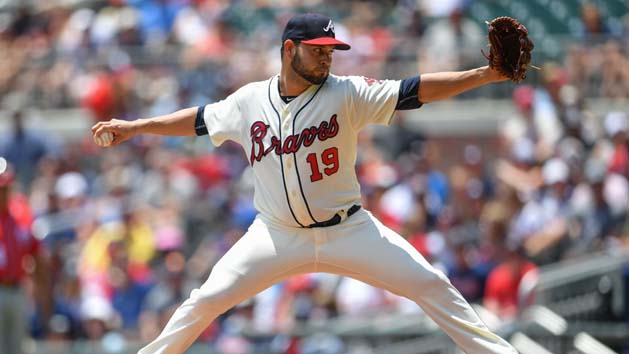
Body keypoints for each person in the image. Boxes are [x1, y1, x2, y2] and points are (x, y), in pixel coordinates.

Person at [92, 13, 517, 354]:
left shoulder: (347, 92)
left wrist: (485, 74)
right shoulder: (249, 100)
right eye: (318, 51)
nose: (327, 59)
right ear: (289, 49)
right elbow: (199, 121)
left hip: (348, 230)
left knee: (430, 284)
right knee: (204, 301)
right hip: (275, 236)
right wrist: (137, 126)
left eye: (331, 51)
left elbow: (414, 90)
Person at [0, 159, 47, 354]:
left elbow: (37, 254)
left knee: (17, 348)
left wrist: (41, 295)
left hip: (18, 289)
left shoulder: (22, 212)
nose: (3, 193)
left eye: (5, 188)